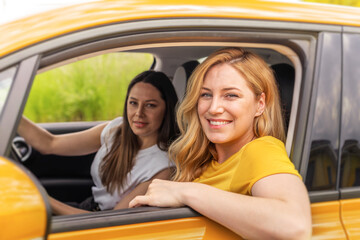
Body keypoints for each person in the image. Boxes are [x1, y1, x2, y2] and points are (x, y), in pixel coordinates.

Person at [129, 48, 312, 239]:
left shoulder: (260, 149)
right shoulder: (204, 157)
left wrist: (185, 192)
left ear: (260, 104)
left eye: (231, 95)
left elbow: (295, 225)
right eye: (206, 95)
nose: (214, 108)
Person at [18, 70, 179, 215]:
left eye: (150, 105)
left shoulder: (164, 167)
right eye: (133, 103)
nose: (138, 113)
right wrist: (11, 113)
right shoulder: (116, 129)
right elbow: (49, 144)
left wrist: (43, 199)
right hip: (87, 208)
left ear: (167, 109)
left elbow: (112, 222)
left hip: (99, 223)